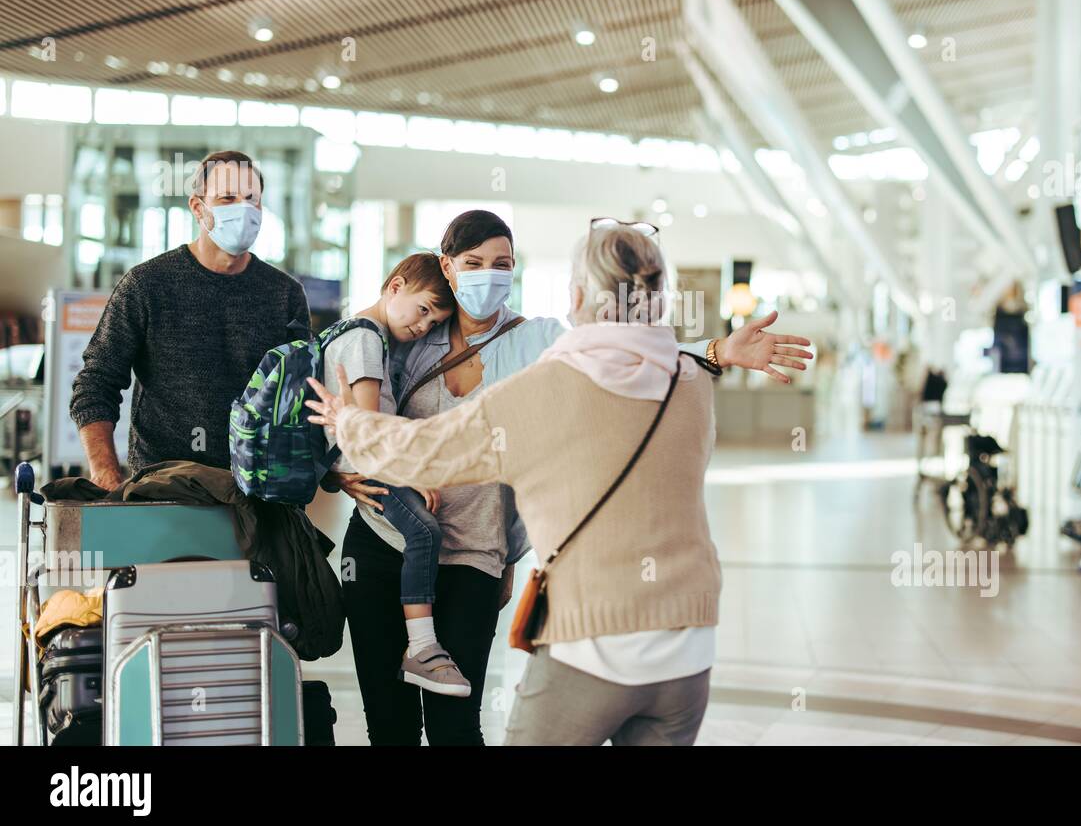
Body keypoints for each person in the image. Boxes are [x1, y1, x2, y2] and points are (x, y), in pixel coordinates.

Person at [328, 209, 813, 746]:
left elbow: (618, 360)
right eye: (473, 263)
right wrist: (340, 471)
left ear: (575, 296)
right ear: (447, 266)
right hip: (385, 545)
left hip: (474, 556)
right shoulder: (411, 332)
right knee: (387, 722)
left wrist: (718, 350)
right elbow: (346, 380)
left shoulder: (542, 349)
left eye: (502, 264)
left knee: (454, 728)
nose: (488, 275)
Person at [70, 150, 309, 489]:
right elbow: (96, 382)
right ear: (198, 208)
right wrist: (105, 470)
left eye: (251, 199)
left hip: (258, 490)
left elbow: (302, 395)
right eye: (227, 198)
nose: (242, 209)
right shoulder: (147, 285)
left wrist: (330, 469)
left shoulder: (285, 294)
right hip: (166, 485)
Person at [318, 252, 471, 696]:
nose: (424, 326)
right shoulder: (365, 338)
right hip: (373, 467)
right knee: (424, 532)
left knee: (419, 531)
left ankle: (420, 647)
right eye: (423, 310)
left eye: (434, 321)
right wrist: (411, 470)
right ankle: (423, 647)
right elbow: (368, 426)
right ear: (395, 286)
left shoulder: (352, 331)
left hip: (363, 467)